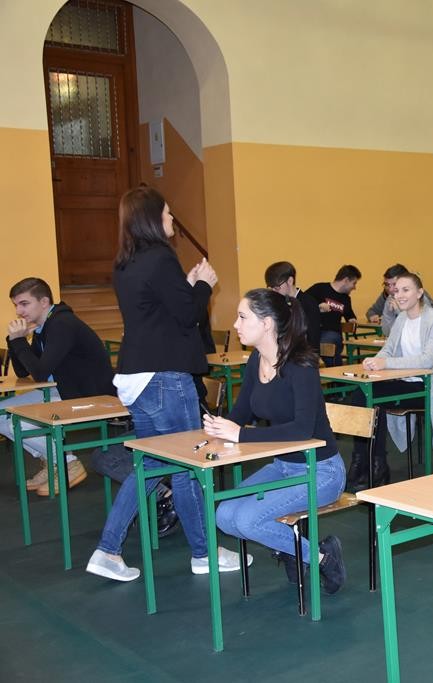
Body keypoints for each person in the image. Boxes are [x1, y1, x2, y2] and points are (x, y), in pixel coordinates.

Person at [87, 186, 247, 582]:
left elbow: (160, 309)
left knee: (152, 466)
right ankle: (204, 553)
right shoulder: (161, 257)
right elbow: (187, 315)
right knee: (189, 465)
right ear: (152, 218)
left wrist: (187, 284)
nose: (173, 219)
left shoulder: (125, 262)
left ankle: (108, 550)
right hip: (164, 377)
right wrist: (203, 283)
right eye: (168, 213)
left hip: (137, 377)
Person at [206, 289, 346, 593]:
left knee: (248, 521)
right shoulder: (256, 360)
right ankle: (293, 549)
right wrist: (218, 428)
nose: (236, 325)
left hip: (321, 471)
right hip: (283, 466)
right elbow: (242, 412)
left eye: (243, 317)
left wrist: (240, 434)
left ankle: (321, 557)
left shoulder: (301, 365)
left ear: (267, 323)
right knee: (225, 515)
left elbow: (302, 430)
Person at [3, 277, 114, 493]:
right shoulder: (43, 327)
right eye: (16, 305)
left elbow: (40, 372)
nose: (18, 311)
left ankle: (67, 463)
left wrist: (18, 341)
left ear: (44, 302)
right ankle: (53, 461)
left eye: (24, 304)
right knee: (1, 415)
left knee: (19, 423)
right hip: (62, 390)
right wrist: (15, 340)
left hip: (89, 396)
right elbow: (25, 371)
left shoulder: (62, 324)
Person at [346, 272, 433, 491]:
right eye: (396, 290)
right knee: (361, 394)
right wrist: (375, 360)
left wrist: (386, 363)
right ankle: (366, 460)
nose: (399, 295)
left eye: (405, 290)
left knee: (369, 398)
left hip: (427, 387)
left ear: (419, 293)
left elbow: (427, 360)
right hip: (404, 381)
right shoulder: (401, 319)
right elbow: (389, 349)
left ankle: (373, 463)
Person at [365, 263, 433, 335]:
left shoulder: (417, 297)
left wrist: (399, 311)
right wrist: (389, 314)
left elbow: (422, 329)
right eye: (387, 284)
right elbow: (387, 332)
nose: (390, 289)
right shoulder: (389, 298)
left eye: (394, 284)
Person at [307, 265, 361, 365]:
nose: (354, 287)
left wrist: (352, 320)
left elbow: (349, 315)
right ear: (346, 280)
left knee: (326, 343)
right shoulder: (319, 288)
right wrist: (317, 307)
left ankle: (336, 370)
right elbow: (301, 303)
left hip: (332, 334)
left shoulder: (345, 298)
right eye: (354, 283)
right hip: (313, 331)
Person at [264, 261, 321, 348]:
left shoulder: (309, 303)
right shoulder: (275, 303)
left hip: (302, 352)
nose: (274, 292)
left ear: (290, 281)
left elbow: (312, 339)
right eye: (271, 289)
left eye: (277, 288)